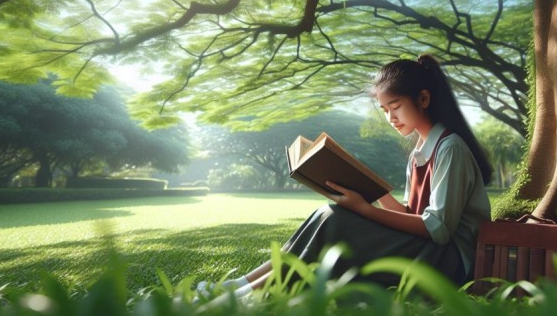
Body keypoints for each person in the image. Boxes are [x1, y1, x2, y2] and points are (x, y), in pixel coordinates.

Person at [196, 54, 493, 299]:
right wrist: (373, 192)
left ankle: (247, 296)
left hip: (450, 263)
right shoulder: (419, 150)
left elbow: (437, 229)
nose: (391, 119)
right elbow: (410, 215)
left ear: (424, 98)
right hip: (426, 248)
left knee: (336, 220)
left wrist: (364, 209)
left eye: (396, 107)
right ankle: (242, 284)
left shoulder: (450, 148)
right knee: (326, 213)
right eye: (385, 110)